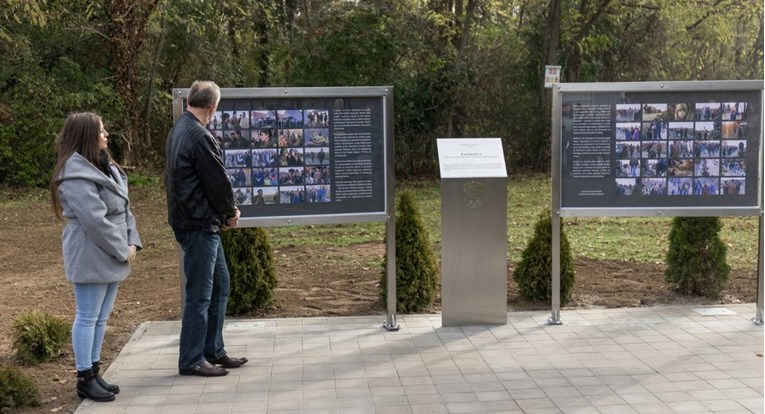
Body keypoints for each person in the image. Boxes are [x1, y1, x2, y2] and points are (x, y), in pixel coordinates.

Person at [50, 112, 142, 402]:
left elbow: (124, 208)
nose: (106, 135)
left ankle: (94, 371)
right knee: (88, 316)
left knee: (101, 318)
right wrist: (122, 248)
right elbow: (95, 220)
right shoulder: (74, 174)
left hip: (113, 249)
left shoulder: (106, 166)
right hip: (91, 251)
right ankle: (83, 379)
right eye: (102, 131)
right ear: (87, 136)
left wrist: (133, 241)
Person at [165, 80, 248, 377]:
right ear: (212, 107)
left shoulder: (179, 129)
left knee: (220, 284)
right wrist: (230, 212)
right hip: (199, 224)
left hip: (193, 221)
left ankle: (213, 350)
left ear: (190, 101)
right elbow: (217, 181)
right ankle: (191, 359)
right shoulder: (199, 136)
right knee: (200, 295)